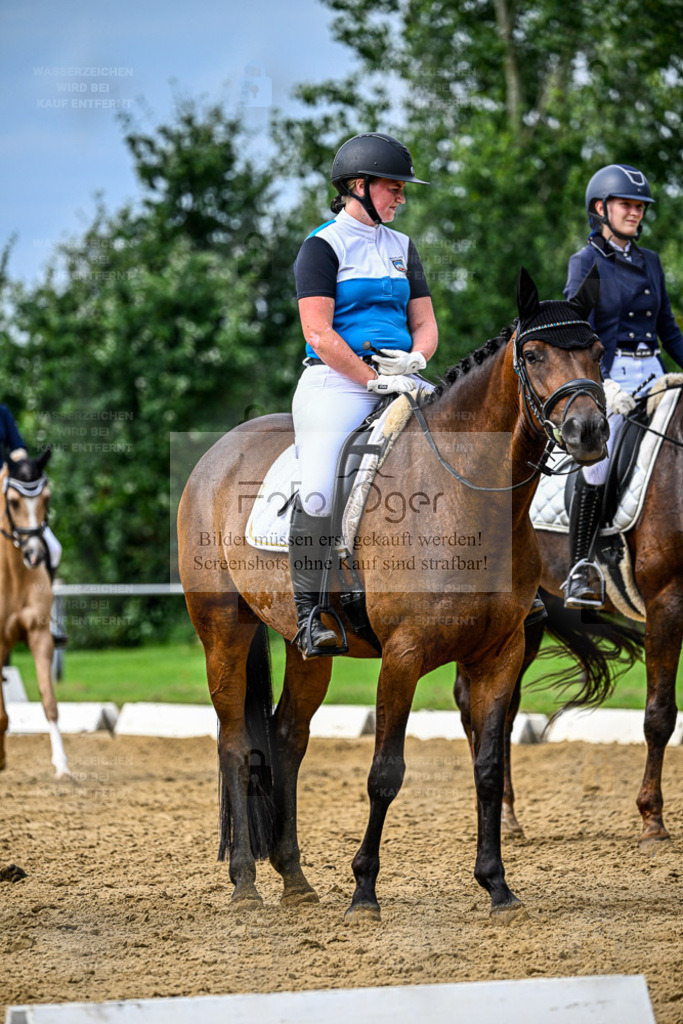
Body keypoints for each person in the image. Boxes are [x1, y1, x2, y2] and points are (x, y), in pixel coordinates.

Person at [290, 132, 438, 656]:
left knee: (471, 446)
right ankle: (310, 615)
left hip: (401, 376)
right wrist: (371, 379)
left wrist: (416, 359)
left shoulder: (403, 248)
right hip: (337, 383)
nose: (402, 198)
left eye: (402, 190)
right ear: (359, 186)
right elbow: (319, 333)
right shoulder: (322, 246)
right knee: (319, 487)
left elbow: (425, 324)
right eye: (394, 188)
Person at [562, 163, 683, 607]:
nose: (636, 213)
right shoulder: (587, 261)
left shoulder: (649, 261)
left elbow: (668, 330)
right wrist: (601, 385)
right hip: (606, 376)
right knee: (596, 456)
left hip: (653, 372)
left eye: (640, 207)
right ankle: (582, 567)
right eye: (627, 205)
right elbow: (575, 330)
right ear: (601, 208)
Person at [0, 403, 66, 643]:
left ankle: (45, 617)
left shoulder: (3, 412)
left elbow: (18, 449)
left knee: (54, 548)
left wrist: (20, 470)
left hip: (9, 492)